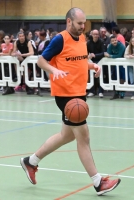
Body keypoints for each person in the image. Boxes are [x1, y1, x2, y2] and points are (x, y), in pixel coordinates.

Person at [20, 7, 120, 196]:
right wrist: (53, 70)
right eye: (79, 23)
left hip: (78, 92)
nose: (83, 27)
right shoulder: (60, 39)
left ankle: (30, 161)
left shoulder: (82, 38)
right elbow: (41, 60)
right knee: (84, 137)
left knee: (67, 135)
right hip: (66, 95)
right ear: (69, 22)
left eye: (84, 23)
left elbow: (78, 60)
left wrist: (91, 66)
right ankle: (98, 182)